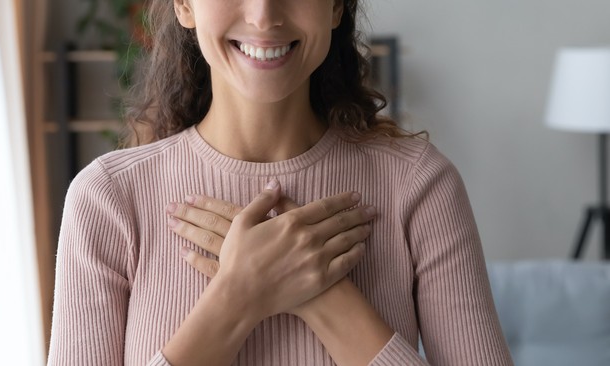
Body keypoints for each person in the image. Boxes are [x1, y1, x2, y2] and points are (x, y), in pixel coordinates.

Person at [47, 0, 514, 365]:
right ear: (184, 6)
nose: (264, 16)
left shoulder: (419, 185)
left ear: (335, 7)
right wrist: (236, 299)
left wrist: (326, 297)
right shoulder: (108, 199)